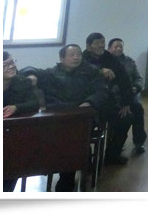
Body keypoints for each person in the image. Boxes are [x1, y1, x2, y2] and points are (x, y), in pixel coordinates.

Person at [23, 44, 109, 191]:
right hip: (58, 119)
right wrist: (31, 75)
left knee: (73, 139)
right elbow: (27, 69)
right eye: (72, 54)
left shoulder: (91, 72)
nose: (76, 57)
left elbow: (102, 92)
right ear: (62, 58)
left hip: (82, 117)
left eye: (79, 54)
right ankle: (60, 168)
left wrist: (89, 102)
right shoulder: (51, 74)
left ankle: (67, 177)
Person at [82, 32, 134, 165]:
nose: (101, 46)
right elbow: (84, 73)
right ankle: (85, 160)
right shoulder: (82, 59)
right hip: (87, 102)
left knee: (126, 118)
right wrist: (100, 71)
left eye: (103, 43)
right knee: (84, 125)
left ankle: (112, 155)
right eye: (97, 43)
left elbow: (124, 79)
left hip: (107, 101)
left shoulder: (110, 58)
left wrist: (126, 102)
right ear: (88, 46)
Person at [2, 52, 41, 192]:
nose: (11, 67)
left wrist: (16, 107)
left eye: (12, 62)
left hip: (15, 134)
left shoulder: (22, 82)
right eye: (5, 65)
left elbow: (35, 104)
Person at [107, 37, 148, 154]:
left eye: (121, 46)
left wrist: (135, 88)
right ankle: (116, 141)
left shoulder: (129, 62)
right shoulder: (105, 62)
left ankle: (139, 142)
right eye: (116, 47)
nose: (119, 49)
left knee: (138, 109)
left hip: (130, 95)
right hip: (112, 97)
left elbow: (138, 78)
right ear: (109, 49)